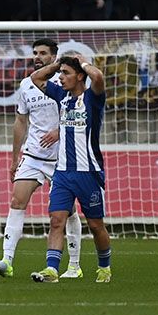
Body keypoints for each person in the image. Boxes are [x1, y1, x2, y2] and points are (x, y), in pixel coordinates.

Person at [0, 38, 83, 279]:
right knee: (17, 201)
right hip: (33, 155)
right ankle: (6, 261)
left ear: (54, 56)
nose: (37, 57)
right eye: (35, 53)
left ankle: (75, 265)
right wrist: (14, 157)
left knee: (67, 212)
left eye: (42, 53)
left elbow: (81, 113)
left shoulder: (64, 81)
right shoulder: (27, 85)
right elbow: (20, 121)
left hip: (62, 157)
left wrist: (59, 131)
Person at [25, 54, 113, 284]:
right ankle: (51, 270)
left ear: (80, 76)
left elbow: (98, 76)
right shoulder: (61, 96)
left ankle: (104, 266)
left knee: (95, 225)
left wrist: (82, 62)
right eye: (60, 73)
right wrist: (59, 64)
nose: (60, 77)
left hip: (89, 173)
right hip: (62, 172)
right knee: (56, 220)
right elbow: (35, 77)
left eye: (66, 73)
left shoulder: (93, 98)